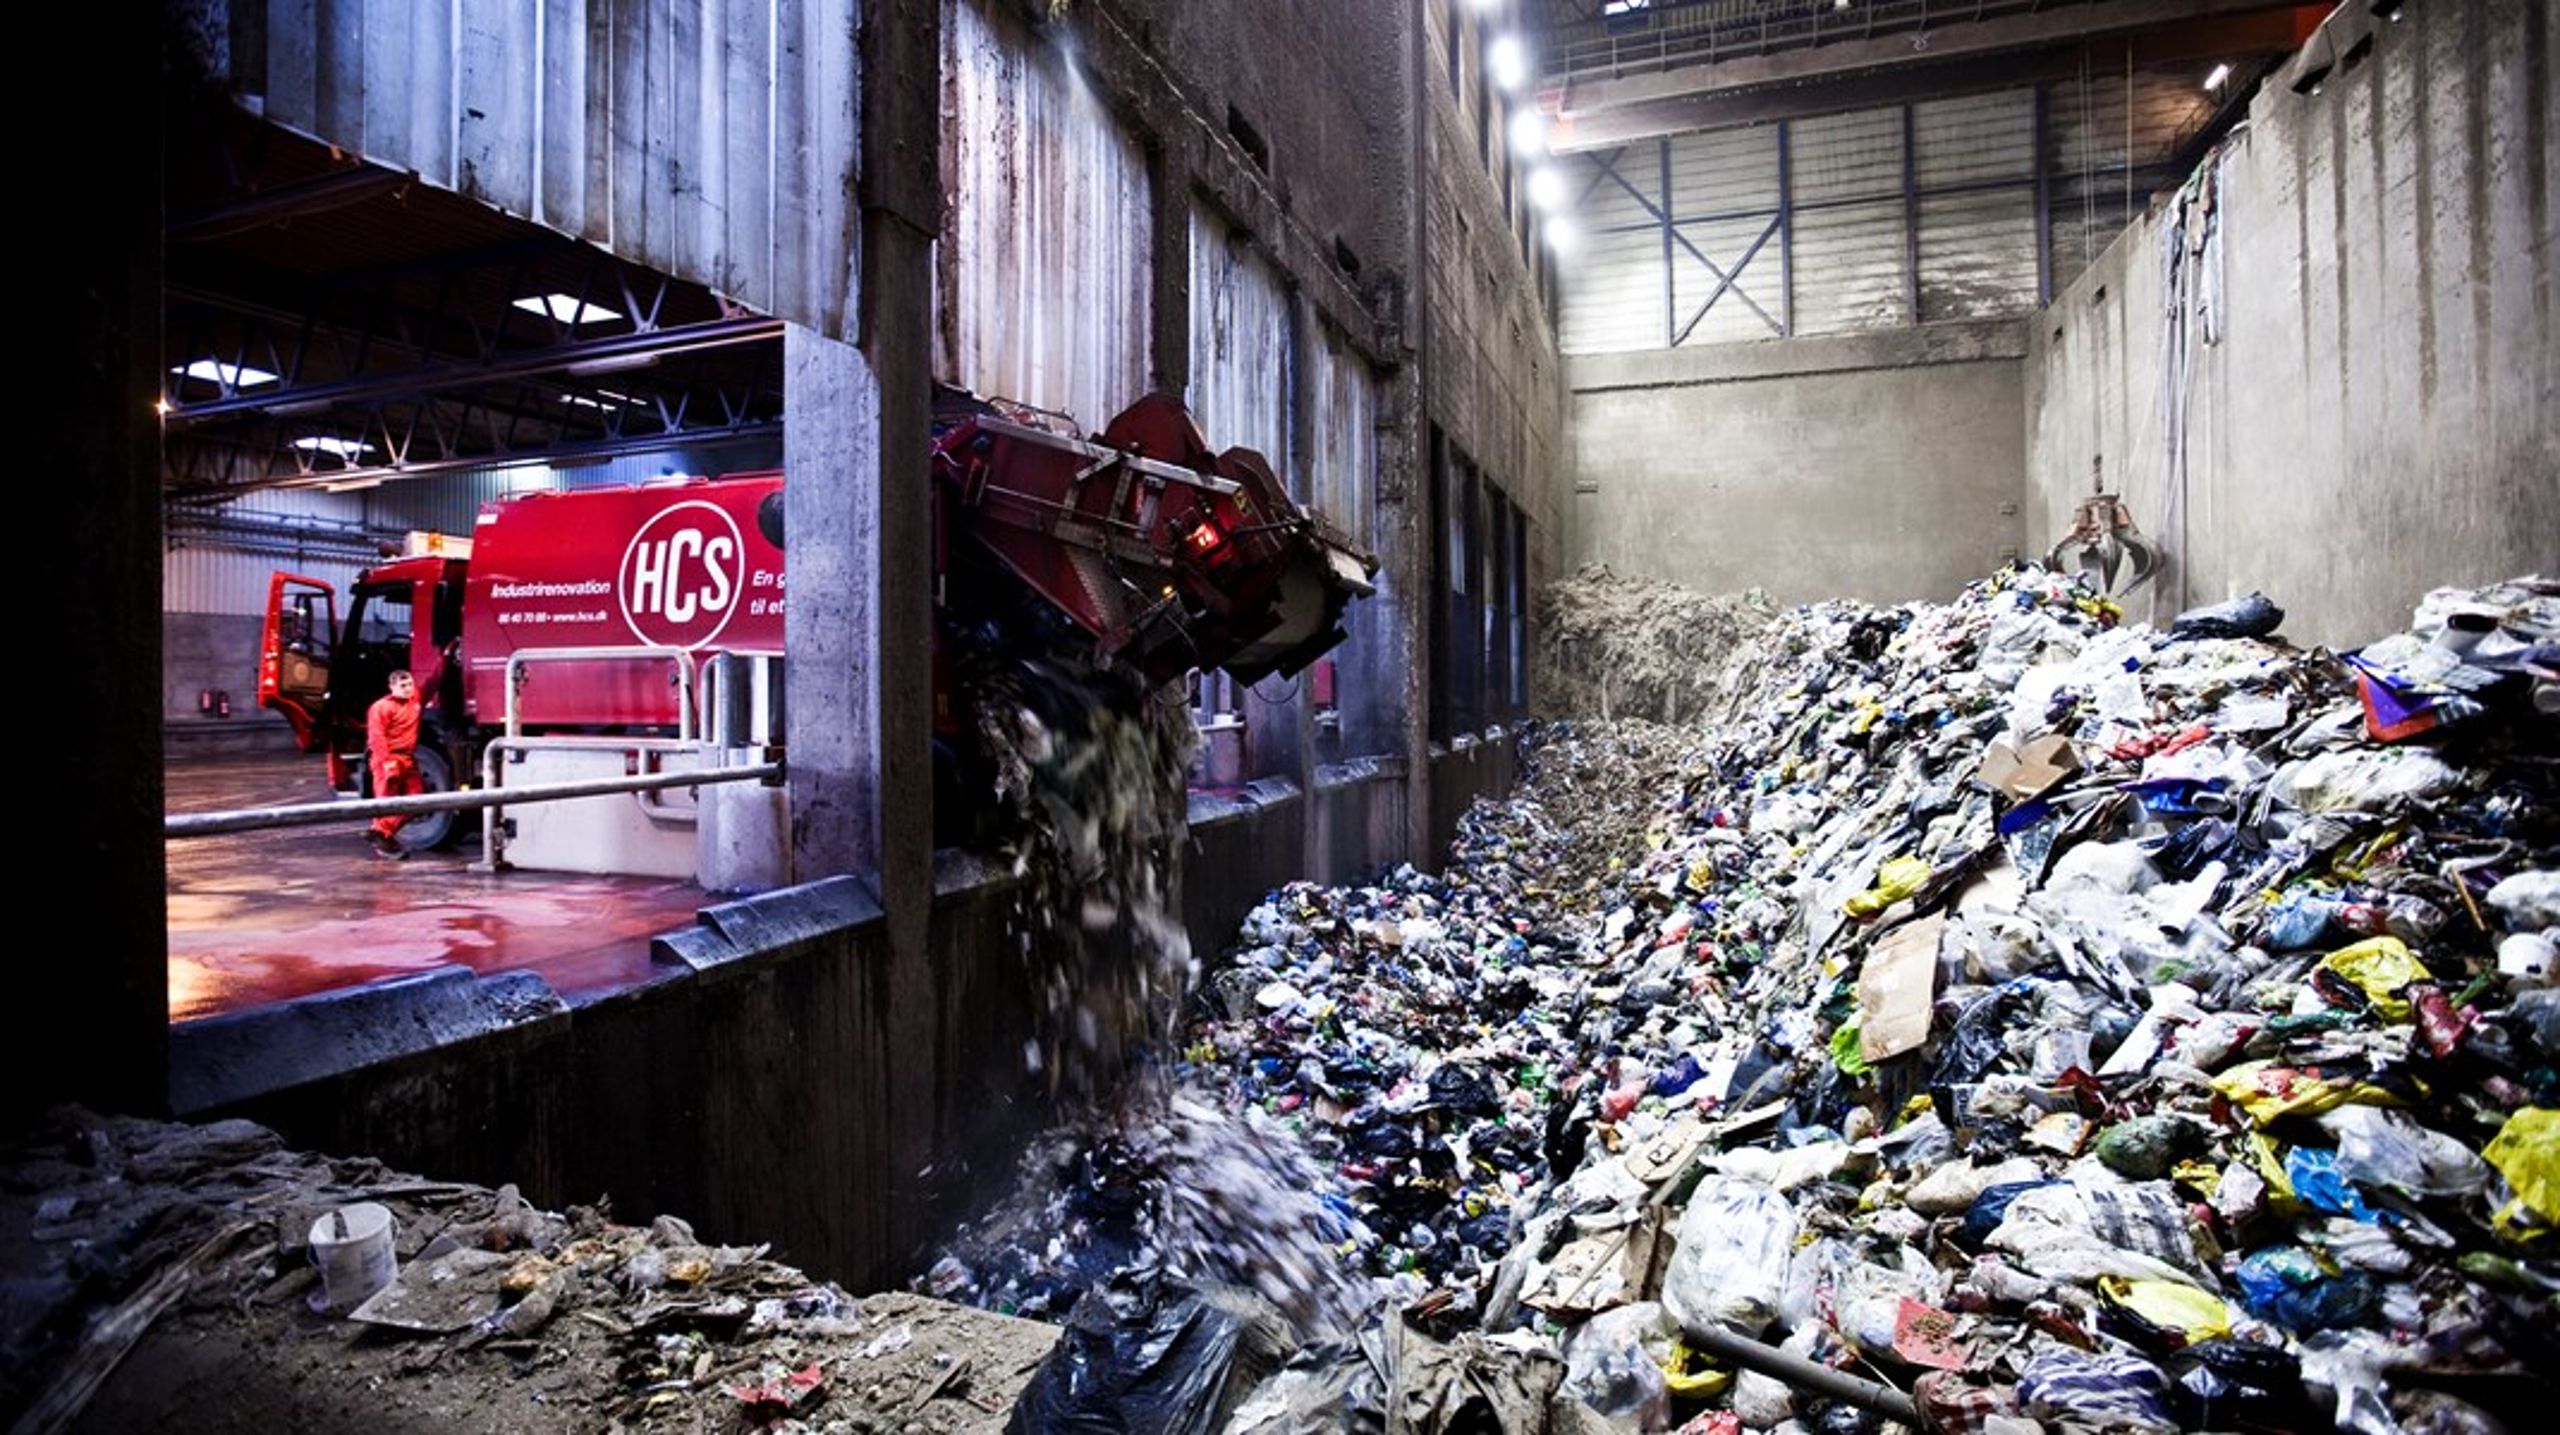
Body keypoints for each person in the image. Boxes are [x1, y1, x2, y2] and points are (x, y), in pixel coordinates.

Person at [366, 670, 422, 859]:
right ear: (392, 687)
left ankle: (380, 832)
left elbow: (433, 682)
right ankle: (382, 836)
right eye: (403, 686)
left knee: (417, 801)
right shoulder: (381, 707)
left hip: (407, 759)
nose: (408, 689)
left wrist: (445, 656)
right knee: (386, 802)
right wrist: (388, 764)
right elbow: (376, 738)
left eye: (410, 685)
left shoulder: (415, 700)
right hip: (387, 759)